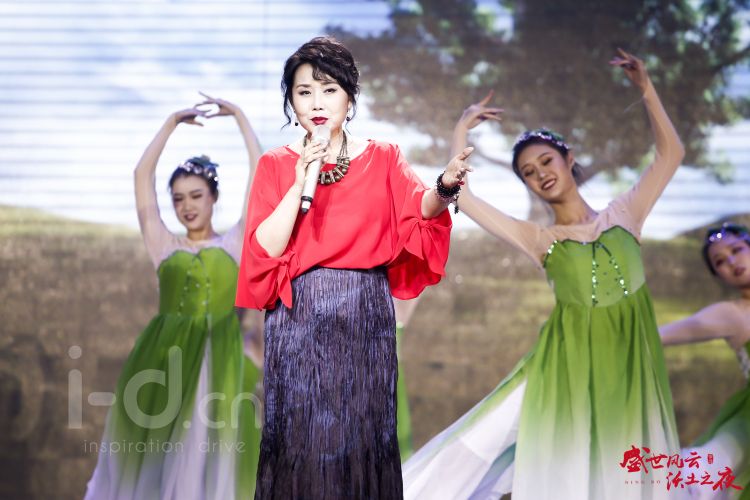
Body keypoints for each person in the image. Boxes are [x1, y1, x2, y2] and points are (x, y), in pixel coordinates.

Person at [402, 49, 687, 499]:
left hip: (627, 364)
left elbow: (671, 154)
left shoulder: (625, 215)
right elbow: (464, 197)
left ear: (568, 158)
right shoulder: (540, 239)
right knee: (476, 441)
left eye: (546, 162)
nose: (540, 174)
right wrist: (460, 131)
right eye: (529, 173)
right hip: (558, 366)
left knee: (618, 471)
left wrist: (646, 89)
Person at [234, 36, 471, 499]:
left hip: (364, 316)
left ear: (349, 95)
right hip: (298, 319)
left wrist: (444, 187)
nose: (316, 103)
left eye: (329, 90)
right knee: (300, 443)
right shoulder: (275, 164)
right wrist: (301, 179)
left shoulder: (383, 156)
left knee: (363, 441)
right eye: (304, 92)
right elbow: (264, 249)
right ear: (290, 101)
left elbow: (417, 209)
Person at [84, 94, 263, 500]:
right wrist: (170, 124)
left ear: (213, 197)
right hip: (164, 361)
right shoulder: (163, 245)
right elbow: (141, 175)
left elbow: (259, 174)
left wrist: (239, 116)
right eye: (179, 198)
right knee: (154, 457)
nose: (187, 206)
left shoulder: (235, 243)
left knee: (207, 455)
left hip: (219, 359)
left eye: (196, 195)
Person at [660, 222, 750, 499]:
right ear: (717, 275)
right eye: (720, 261)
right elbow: (654, 337)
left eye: (737, 250)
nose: (732, 262)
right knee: (713, 464)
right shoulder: (732, 315)